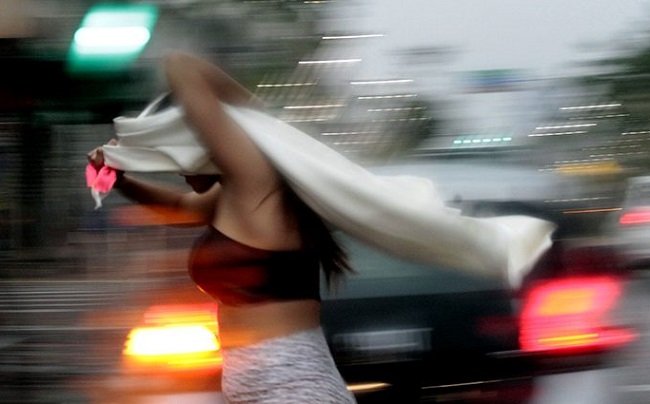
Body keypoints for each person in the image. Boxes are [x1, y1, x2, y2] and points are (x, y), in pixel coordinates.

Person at [87, 51, 357, 403]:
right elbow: (178, 208)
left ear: (208, 147)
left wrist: (256, 118)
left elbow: (181, 64)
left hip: (298, 393)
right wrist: (119, 179)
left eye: (180, 158)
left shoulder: (257, 184)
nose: (180, 172)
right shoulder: (235, 197)